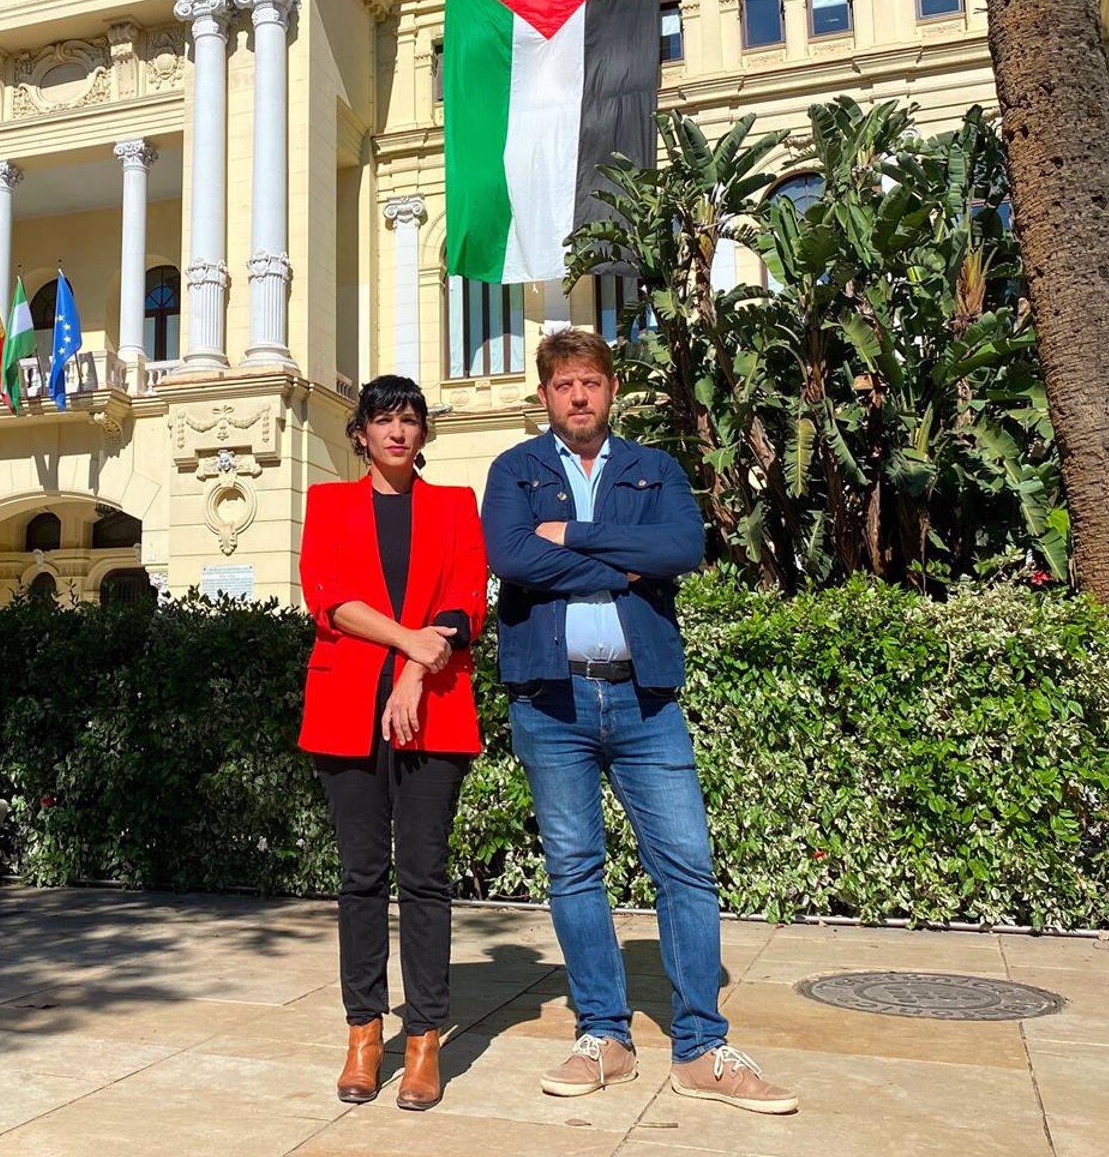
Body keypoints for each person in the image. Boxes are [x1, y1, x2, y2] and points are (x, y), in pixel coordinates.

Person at [481, 328, 797, 1114]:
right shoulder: (514, 469)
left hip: (643, 697)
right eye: (563, 385)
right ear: (546, 394)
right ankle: (605, 1037)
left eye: (590, 381)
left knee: (687, 865)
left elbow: (683, 548)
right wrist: (624, 560)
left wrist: (576, 537)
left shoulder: (652, 470)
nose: (578, 396)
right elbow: (512, 558)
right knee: (574, 869)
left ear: (610, 389)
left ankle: (701, 1046)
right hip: (551, 699)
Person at [298, 375, 488, 1112]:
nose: (399, 433)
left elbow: (466, 601)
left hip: (434, 705)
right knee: (361, 877)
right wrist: (409, 640)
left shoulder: (453, 505)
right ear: (361, 434)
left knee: (427, 877)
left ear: (423, 434)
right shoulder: (328, 503)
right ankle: (363, 1033)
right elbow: (331, 598)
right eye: (385, 421)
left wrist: (413, 671)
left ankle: (423, 1042)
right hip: (345, 707)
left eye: (411, 420)